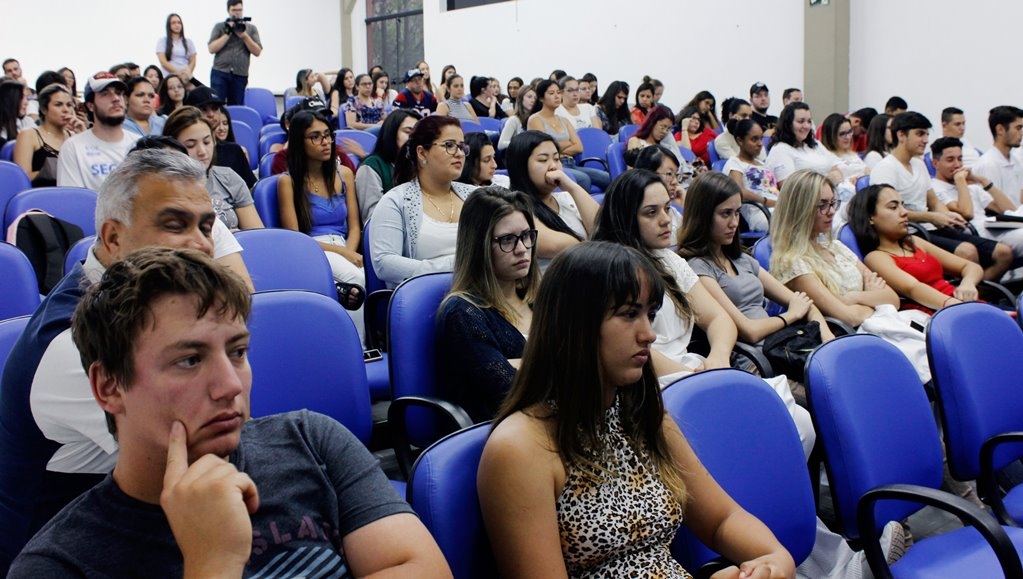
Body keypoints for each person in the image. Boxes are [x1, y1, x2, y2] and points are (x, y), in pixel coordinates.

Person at [7, 246, 452, 578]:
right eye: (189, 360)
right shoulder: (58, 565)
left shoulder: (312, 440)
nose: (230, 385)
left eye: (238, 352)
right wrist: (213, 564)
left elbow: (424, 569)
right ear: (108, 386)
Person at [477, 240, 796, 579]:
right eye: (629, 314)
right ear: (574, 324)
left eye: (651, 315)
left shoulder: (640, 414)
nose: (649, 334)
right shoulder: (520, 450)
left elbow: (722, 519)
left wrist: (773, 560)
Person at [0, 148, 253, 572]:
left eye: (206, 226)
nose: (200, 244)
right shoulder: (72, 346)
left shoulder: (148, 308)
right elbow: (212, 462)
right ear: (114, 238)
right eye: (175, 225)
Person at [436, 187, 539, 422]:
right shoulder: (463, 313)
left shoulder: (541, 298)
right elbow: (509, 392)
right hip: (502, 435)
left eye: (526, 235)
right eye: (507, 240)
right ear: (478, 246)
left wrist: (521, 365)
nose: (522, 248)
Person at [871, 111, 1012, 281]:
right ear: (901, 135)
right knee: (967, 251)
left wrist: (947, 215)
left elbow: (933, 201)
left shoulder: (918, 164)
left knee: (1003, 253)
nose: (925, 140)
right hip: (909, 232)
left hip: (932, 227)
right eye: (919, 134)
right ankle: (966, 299)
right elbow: (888, 213)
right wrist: (931, 217)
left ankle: (980, 292)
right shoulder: (886, 168)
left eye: (926, 134)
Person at [276, 110, 366, 340]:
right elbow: (295, 238)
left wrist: (349, 251)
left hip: (345, 245)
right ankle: (359, 348)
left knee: (362, 275)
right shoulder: (288, 181)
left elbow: (354, 226)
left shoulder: (344, 174)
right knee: (354, 280)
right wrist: (344, 253)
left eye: (327, 135)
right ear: (299, 142)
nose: (325, 142)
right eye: (315, 137)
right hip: (313, 249)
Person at [770, 169, 899, 327]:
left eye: (832, 203)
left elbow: (893, 299)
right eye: (822, 205)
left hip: (876, 328)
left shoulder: (836, 247)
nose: (831, 212)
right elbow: (848, 318)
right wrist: (874, 298)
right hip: (847, 337)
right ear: (800, 209)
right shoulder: (791, 262)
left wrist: (855, 297)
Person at [369, 115, 476, 287]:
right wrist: (453, 267)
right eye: (449, 145)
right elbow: (385, 263)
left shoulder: (476, 196)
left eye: (462, 146)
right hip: (428, 295)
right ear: (421, 153)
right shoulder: (396, 201)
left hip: (481, 291)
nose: (459, 153)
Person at [848, 184, 983, 314]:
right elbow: (913, 288)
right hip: (938, 314)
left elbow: (969, 266)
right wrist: (957, 306)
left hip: (961, 302)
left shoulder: (913, 242)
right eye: (893, 207)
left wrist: (968, 283)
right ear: (870, 218)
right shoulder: (876, 257)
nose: (904, 212)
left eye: (903, 205)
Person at [506, 130, 600, 269]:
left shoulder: (567, 197)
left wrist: (573, 187)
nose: (553, 166)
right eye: (543, 160)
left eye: (557, 159)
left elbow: (601, 228)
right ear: (521, 166)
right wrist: (598, 248)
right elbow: (557, 247)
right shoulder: (513, 207)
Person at [164, 106, 263, 231]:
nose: (202, 152)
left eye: (206, 142)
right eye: (190, 145)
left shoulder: (228, 177)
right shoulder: (163, 186)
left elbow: (256, 235)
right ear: (172, 149)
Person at [930, 136, 1023, 256]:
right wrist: (960, 182)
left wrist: (982, 180)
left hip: (994, 230)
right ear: (935, 163)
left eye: (960, 158)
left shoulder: (971, 187)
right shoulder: (935, 188)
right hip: (976, 237)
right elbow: (967, 213)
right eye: (950, 160)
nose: (957, 164)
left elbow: (1010, 210)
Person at [56, 73, 140, 190]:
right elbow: (73, 201)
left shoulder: (139, 144)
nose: (116, 98)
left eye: (118, 93)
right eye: (105, 94)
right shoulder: (73, 147)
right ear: (90, 106)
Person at [527, 79, 610, 192]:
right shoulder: (535, 119)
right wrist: (567, 143)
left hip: (571, 163)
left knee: (608, 177)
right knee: (584, 180)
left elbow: (579, 147)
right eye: (551, 93)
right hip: (553, 166)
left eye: (558, 92)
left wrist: (557, 147)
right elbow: (545, 149)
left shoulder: (564, 120)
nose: (557, 96)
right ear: (541, 98)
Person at [184, 85, 257, 188]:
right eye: (203, 109)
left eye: (215, 108)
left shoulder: (234, 150)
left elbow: (250, 188)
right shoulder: (182, 151)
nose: (211, 114)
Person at [355, 109, 419, 225]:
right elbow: (373, 217)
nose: (413, 139)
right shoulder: (371, 167)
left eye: (417, 134)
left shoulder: (419, 165)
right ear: (392, 133)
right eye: (408, 132)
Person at [765, 102, 843, 188]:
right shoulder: (780, 149)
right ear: (788, 124)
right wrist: (826, 181)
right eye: (801, 121)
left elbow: (835, 166)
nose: (806, 126)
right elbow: (789, 188)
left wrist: (835, 175)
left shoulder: (815, 144)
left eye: (809, 121)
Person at [13, 83, 76, 187]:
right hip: (41, 197)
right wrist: (51, 171)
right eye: (58, 104)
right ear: (44, 109)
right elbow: (21, 179)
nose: (66, 110)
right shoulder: (29, 135)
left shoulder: (74, 136)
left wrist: (83, 136)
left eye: (69, 105)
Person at [724, 118, 779, 231]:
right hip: (760, 213)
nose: (760, 144)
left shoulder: (763, 164)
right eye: (754, 139)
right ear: (740, 141)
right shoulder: (734, 163)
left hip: (778, 208)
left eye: (761, 138)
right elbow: (740, 192)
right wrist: (767, 202)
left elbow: (773, 189)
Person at [207, 0, 262, 105]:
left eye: (240, 10)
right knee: (216, 105)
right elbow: (211, 49)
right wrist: (228, 33)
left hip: (240, 74)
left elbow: (257, 51)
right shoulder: (220, 27)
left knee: (236, 106)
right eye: (234, 10)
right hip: (220, 72)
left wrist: (244, 36)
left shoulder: (251, 29)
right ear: (228, 11)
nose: (237, 13)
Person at [973, 105, 1023, 205]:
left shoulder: (1016, 161)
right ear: (1000, 129)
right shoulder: (988, 164)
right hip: (1002, 220)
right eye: (1018, 128)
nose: (1021, 133)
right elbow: (996, 207)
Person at [819, 112, 867, 183]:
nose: (848, 137)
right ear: (831, 136)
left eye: (850, 132)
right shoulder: (826, 157)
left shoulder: (852, 155)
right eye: (842, 134)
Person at [156, 13, 197, 86]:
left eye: (179, 22)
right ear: (169, 25)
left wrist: (187, 73)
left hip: (186, 77)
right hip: (169, 76)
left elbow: (193, 61)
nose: (177, 25)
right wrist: (178, 73)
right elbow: (163, 61)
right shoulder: (162, 41)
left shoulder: (189, 42)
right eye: (173, 23)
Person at [712, 97, 757, 161]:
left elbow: (763, 160)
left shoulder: (754, 137)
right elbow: (739, 162)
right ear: (731, 116)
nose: (748, 120)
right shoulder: (721, 140)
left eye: (750, 117)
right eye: (744, 116)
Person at [497, 84, 535, 151]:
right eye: (529, 97)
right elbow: (501, 144)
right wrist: (521, 143)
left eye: (535, 98)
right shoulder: (514, 120)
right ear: (521, 98)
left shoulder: (537, 119)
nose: (533, 100)